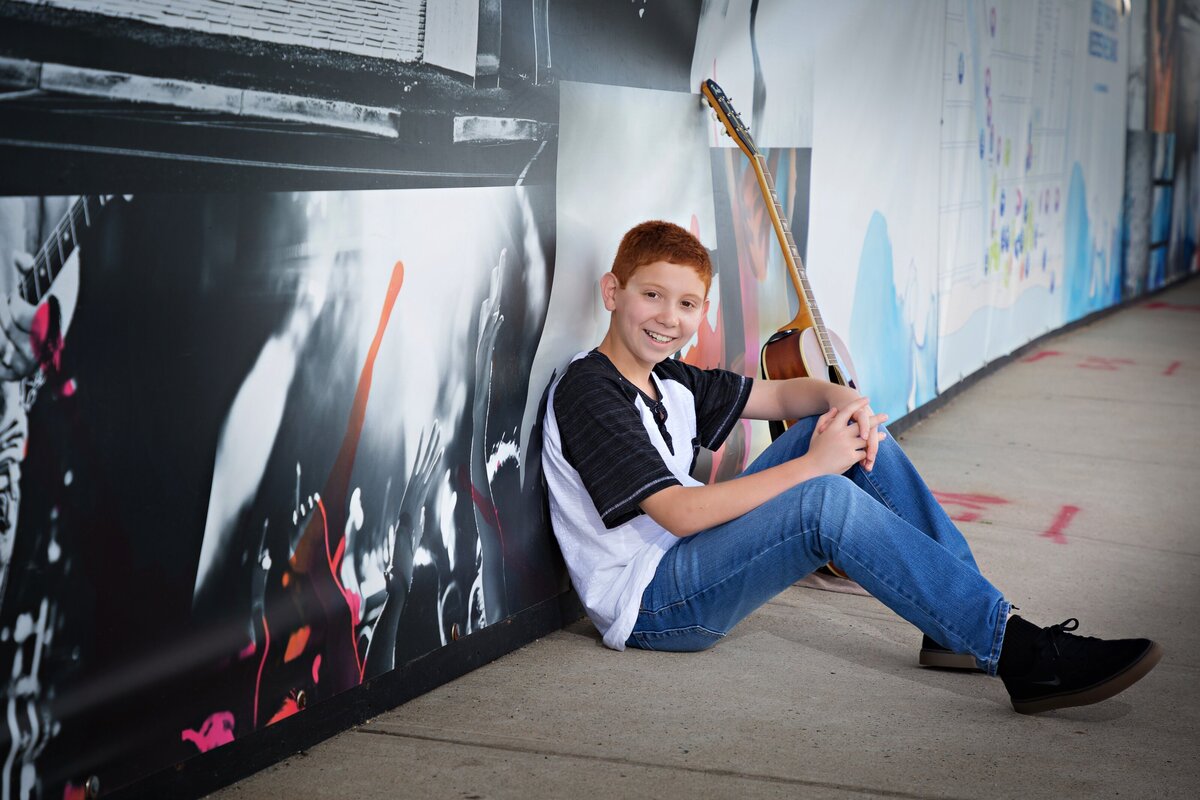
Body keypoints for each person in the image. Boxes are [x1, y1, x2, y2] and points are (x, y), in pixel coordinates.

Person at [541, 219, 1162, 714]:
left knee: (838, 427)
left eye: (686, 304)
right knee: (823, 498)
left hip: (684, 562)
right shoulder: (589, 391)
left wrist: (846, 404)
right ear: (612, 292)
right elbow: (677, 514)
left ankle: (960, 626)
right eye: (651, 295)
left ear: (701, 310)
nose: (668, 318)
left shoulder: (667, 375)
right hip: (651, 605)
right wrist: (814, 466)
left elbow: (782, 397)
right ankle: (1019, 652)